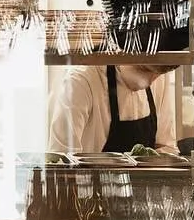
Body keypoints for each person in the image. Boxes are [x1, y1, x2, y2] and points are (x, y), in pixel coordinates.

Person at [47, 61, 178, 157]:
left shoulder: (160, 74)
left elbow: (167, 149)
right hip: (92, 191)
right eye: (144, 69)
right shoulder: (81, 81)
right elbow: (61, 161)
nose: (150, 80)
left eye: (158, 74)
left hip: (144, 190)